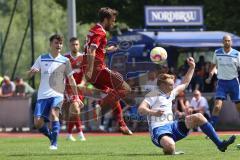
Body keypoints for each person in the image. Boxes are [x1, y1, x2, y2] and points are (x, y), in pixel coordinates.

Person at [138, 57, 235, 155]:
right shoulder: (153, 94)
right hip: (158, 130)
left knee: (199, 117)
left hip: (172, 126)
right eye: (171, 85)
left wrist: (192, 67)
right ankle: (169, 147)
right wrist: (153, 112)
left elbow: (185, 83)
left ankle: (220, 144)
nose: (173, 86)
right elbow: (141, 109)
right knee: (170, 146)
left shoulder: (170, 93)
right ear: (163, 85)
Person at [82, 7, 132, 135]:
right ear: (106, 19)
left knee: (112, 94)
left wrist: (106, 50)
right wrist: (90, 69)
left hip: (91, 70)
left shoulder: (93, 30)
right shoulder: (101, 32)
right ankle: (101, 107)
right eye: (112, 21)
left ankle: (122, 125)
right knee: (125, 88)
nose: (113, 23)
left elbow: (94, 49)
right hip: (97, 69)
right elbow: (92, 50)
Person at [28, 34, 83, 150]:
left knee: (54, 114)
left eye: (60, 43)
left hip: (57, 95)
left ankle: (54, 144)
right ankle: (51, 136)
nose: (59, 45)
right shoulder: (41, 58)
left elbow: (71, 79)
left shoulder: (65, 61)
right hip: (42, 96)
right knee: (38, 123)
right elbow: (30, 74)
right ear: (51, 44)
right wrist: (31, 73)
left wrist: (77, 97)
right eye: (56, 43)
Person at [206, 35, 240, 129]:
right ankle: (211, 130)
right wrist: (210, 76)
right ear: (222, 42)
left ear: (231, 42)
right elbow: (213, 66)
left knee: (239, 108)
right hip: (222, 83)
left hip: (234, 83)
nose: (227, 42)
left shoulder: (237, 54)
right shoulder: (217, 52)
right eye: (225, 41)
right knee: (217, 107)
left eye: (229, 41)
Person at [63, 37, 86, 141]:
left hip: (80, 88)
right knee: (76, 109)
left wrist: (83, 82)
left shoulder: (83, 58)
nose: (75, 46)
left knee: (75, 111)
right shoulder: (65, 58)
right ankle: (80, 133)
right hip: (69, 88)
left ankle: (68, 134)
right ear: (70, 46)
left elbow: (86, 74)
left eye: (76, 44)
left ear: (79, 45)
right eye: (73, 44)